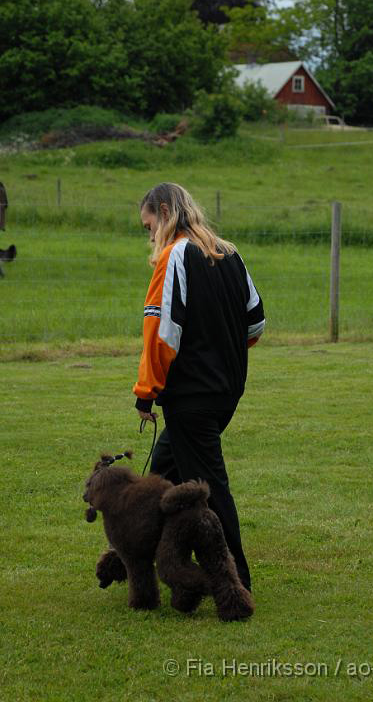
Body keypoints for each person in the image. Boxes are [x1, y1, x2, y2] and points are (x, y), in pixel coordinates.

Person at [133, 183, 265, 591]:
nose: (150, 234)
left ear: (166, 211)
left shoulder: (175, 256)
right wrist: (221, 350)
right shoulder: (230, 253)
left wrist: (146, 391)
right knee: (162, 473)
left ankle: (235, 580)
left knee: (210, 490)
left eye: (149, 224)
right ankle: (137, 562)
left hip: (191, 396)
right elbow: (256, 322)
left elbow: (162, 333)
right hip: (225, 392)